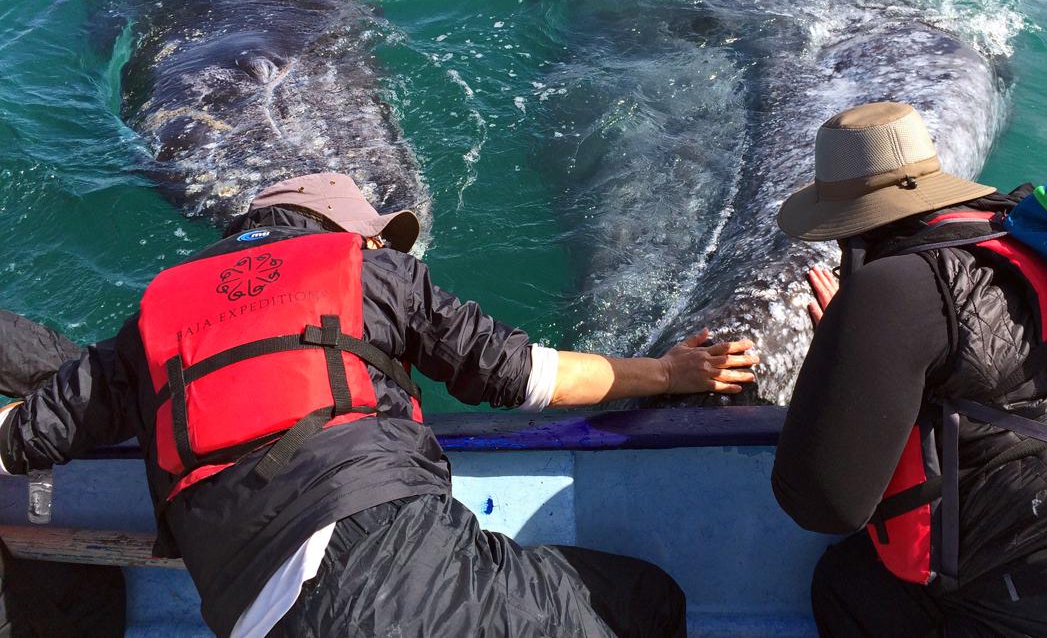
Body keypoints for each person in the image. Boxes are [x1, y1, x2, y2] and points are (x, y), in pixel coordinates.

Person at [0, 172, 758, 638]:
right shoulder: (371, 275)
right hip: (400, 566)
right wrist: (667, 373)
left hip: (256, 619)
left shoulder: (153, 321)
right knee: (647, 602)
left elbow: (24, 435)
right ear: (342, 234)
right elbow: (528, 377)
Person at [769, 102, 1047, 637]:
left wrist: (838, 350)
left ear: (846, 225)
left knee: (848, 583)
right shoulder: (1020, 233)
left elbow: (823, 504)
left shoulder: (891, 288)